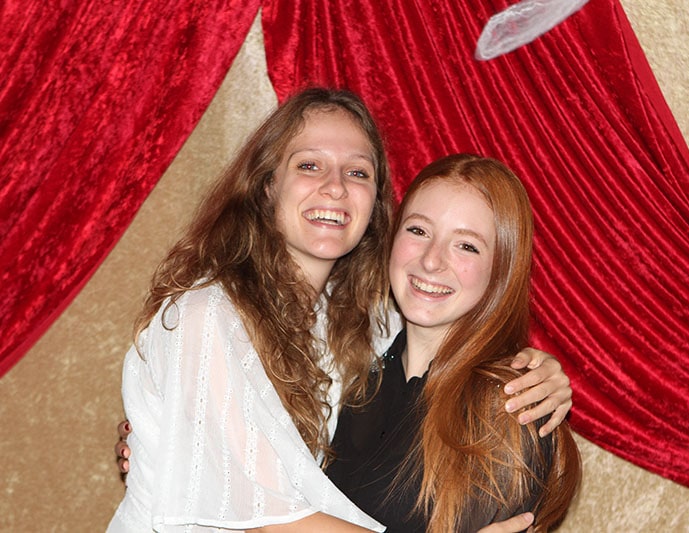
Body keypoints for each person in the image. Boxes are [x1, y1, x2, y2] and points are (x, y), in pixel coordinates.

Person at [108, 87, 572, 532]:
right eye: (309, 165)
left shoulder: (356, 330)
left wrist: (543, 372)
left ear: (374, 204)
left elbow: (448, 331)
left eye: (357, 173)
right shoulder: (206, 317)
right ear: (267, 186)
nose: (334, 188)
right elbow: (268, 517)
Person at [326, 154, 582, 532]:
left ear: (501, 270)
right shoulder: (358, 375)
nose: (432, 261)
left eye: (466, 246)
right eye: (418, 230)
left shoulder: (510, 406)